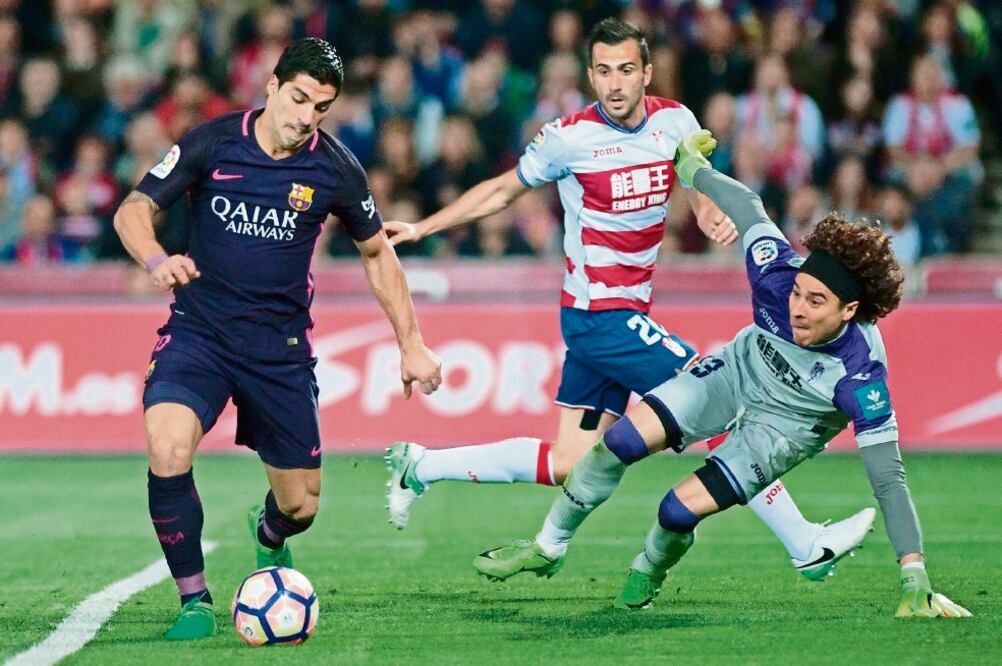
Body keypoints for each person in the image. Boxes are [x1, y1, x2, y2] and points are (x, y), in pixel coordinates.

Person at [384, 18, 874, 581]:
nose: (614, 84)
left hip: (620, 317)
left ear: (645, 72)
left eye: (625, 70)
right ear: (590, 76)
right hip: (600, 315)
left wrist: (705, 203)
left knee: (569, 462)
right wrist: (424, 228)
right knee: (720, 397)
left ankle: (420, 465)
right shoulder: (568, 138)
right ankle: (804, 543)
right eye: (602, 72)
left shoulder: (675, 121)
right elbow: (501, 189)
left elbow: (697, 177)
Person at [471, 129, 972, 620]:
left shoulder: (860, 375)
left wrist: (914, 576)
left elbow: (888, 476)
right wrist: (693, 168)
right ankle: (548, 545)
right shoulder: (777, 276)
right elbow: (749, 207)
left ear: (850, 311)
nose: (797, 307)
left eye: (816, 302)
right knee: (617, 442)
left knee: (675, 511)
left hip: (782, 430)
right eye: (798, 293)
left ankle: (649, 569)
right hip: (735, 372)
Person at [112, 38, 442, 641]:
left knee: (301, 507)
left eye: (321, 107)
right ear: (271, 86)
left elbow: (377, 253)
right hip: (200, 334)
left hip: (279, 350)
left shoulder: (335, 167)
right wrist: (157, 258)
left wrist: (411, 342)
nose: (304, 117)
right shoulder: (212, 141)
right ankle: (194, 600)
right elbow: (132, 210)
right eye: (297, 99)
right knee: (167, 447)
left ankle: (266, 536)